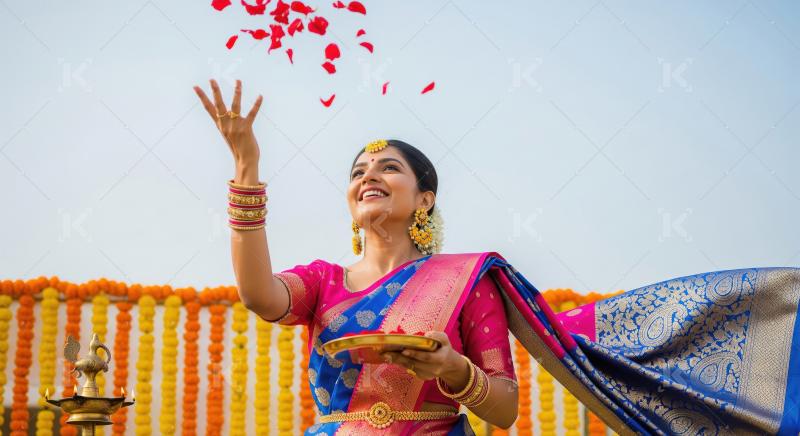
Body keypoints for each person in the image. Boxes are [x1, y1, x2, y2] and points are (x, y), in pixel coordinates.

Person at [193, 79, 800, 436]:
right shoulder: (324, 282)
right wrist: (246, 168)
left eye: (387, 167)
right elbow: (257, 295)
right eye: (357, 172)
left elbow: (505, 411)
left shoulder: (466, 280)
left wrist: (453, 370)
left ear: (424, 197)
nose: (368, 176)